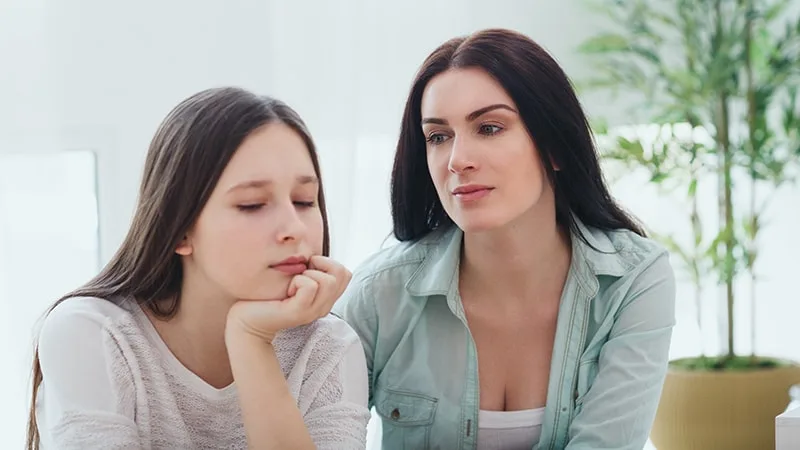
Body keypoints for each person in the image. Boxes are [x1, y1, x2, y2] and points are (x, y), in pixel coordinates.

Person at [334, 28, 676, 450]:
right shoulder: (377, 295)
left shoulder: (634, 280)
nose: (458, 160)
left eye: (490, 128)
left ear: (554, 146)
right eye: (438, 137)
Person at [26, 87, 371, 450]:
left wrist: (250, 339)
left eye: (304, 201)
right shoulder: (93, 333)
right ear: (179, 230)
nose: (295, 228)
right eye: (252, 205)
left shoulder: (329, 346)